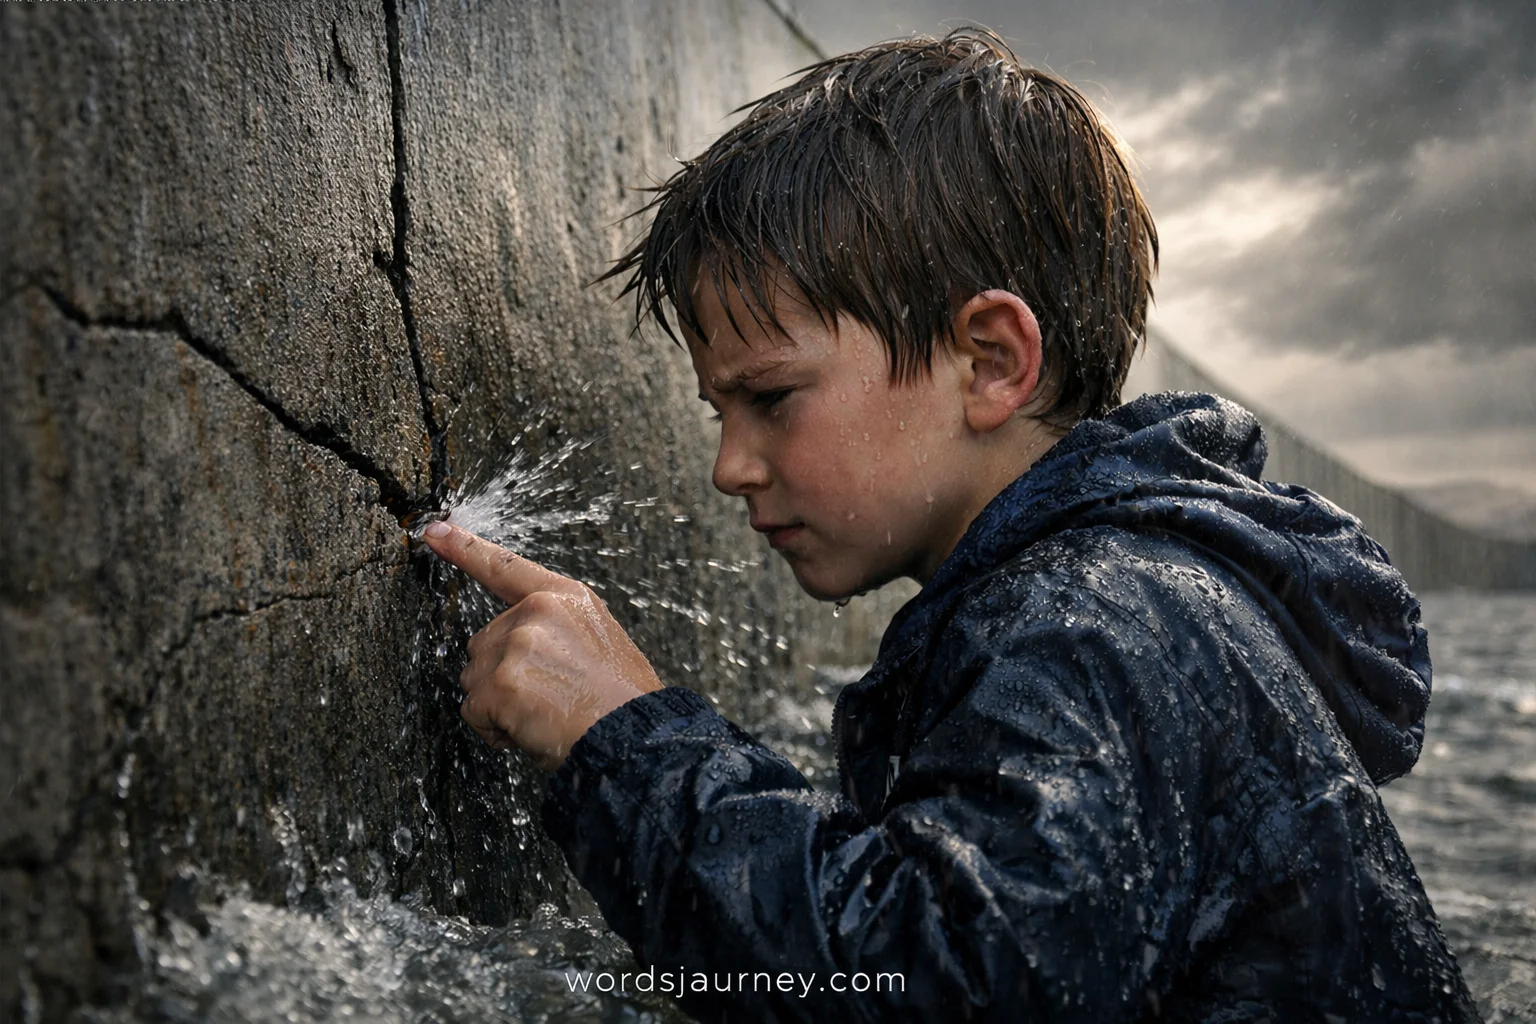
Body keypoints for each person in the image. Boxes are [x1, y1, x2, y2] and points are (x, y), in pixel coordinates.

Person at [422, 30, 1479, 1023]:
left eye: (772, 399)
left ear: (989, 363)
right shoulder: (1116, 592)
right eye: (719, 412)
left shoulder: (1095, 624)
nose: (729, 466)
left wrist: (630, 743)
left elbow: (940, 984)